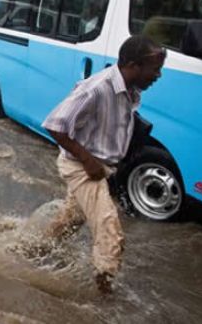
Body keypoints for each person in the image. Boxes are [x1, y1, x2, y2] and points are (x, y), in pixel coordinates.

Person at [40, 35, 166, 294]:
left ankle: (33, 249)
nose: (159, 75)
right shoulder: (97, 88)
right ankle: (104, 300)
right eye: (155, 69)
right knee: (111, 234)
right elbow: (54, 125)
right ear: (133, 66)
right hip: (82, 167)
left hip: (102, 167)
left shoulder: (129, 90)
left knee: (70, 222)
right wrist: (88, 161)